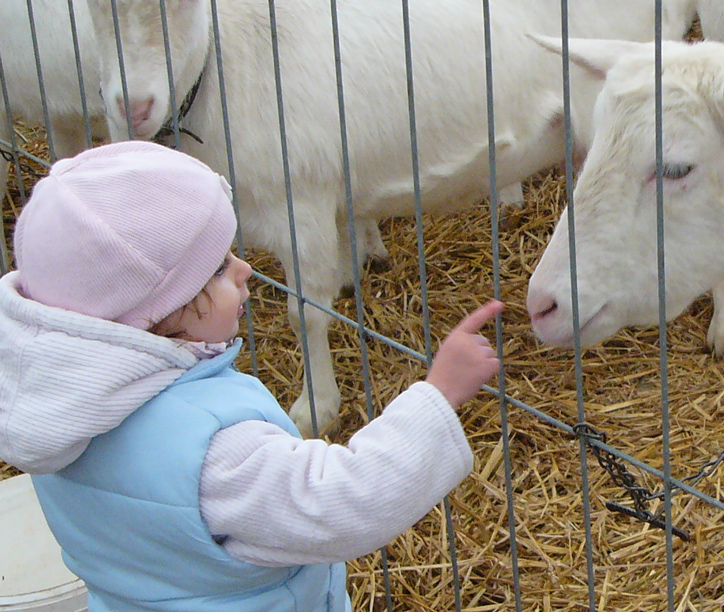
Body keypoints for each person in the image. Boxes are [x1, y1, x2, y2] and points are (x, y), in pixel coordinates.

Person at [0, 141, 504, 612]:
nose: (245, 269)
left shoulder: (53, 409)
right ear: (153, 311)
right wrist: (439, 394)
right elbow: (339, 502)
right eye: (217, 268)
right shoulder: (214, 452)